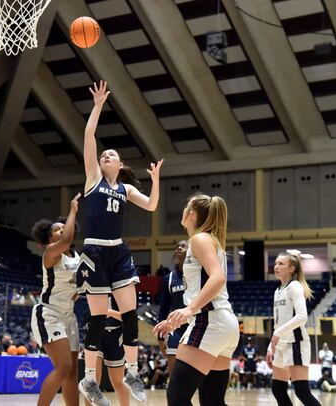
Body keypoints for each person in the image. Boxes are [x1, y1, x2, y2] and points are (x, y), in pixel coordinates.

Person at [77, 81, 163, 405]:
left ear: (120, 163)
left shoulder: (125, 190)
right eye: (103, 155)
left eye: (111, 154)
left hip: (118, 250)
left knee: (130, 312)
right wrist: (98, 105)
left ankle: (133, 370)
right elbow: (88, 137)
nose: (105, 155)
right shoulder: (93, 180)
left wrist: (155, 182)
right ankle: (88, 380)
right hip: (95, 250)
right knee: (98, 317)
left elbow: (153, 206)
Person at [154, 194, 239, 406]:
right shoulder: (210, 241)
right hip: (222, 323)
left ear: (191, 213)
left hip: (209, 322)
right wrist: (178, 319)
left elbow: (218, 278)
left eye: (185, 207)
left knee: (176, 397)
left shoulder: (200, 239)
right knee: (212, 402)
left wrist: (189, 309)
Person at [30, 194, 81, 406]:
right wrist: (72, 211)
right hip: (49, 313)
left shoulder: (77, 256)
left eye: (63, 227)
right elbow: (67, 239)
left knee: (72, 373)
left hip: (69, 316)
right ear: (49, 239)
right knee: (64, 366)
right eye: (56, 230)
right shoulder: (51, 253)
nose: (61, 231)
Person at [266, 252, 321, 406]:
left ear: (291, 269)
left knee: (302, 391)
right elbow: (278, 322)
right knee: (277, 388)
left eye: (281, 264)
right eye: (275, 263)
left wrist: (277, 334)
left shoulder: (295, 286)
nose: (276, 266)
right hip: (280, 345)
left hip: (295, 343)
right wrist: (271, 346)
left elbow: (302, 316)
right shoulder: (277, 291)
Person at [86, 298, 131, 406]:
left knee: (118, 383)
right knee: (92, 381)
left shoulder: (123, 285)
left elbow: (130, 318)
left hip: (116, 335)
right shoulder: (93, 282)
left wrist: (109, 312)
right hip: (96, 331)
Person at [157, 241, 188, 376]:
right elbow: (163, 309)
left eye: (183, 246)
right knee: (174, 378)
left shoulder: (197, 276)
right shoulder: (168, 278)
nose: (179, 248)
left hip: (195, 326)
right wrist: (160, 337)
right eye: (177, 246)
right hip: (175, 329)